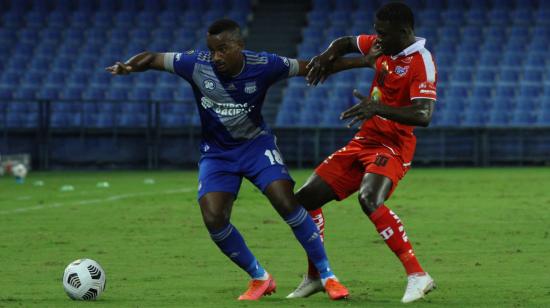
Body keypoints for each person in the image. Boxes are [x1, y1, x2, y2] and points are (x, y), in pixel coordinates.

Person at [106, 19, 372, 301]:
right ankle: (260, 278)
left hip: (256, 147)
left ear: (239, 46)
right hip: (218, 154)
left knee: (285, 201)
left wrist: (364, 62)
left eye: (222, 49)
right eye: (212, 50)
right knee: (213, 217)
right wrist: (129, 67)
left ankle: (328, 276)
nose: (216, 56)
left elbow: (313, 66)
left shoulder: (265, 64)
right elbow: (152, 57)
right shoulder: (195, 64)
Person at [287, 2, 437, 303]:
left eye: (382, 33)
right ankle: (316, 275)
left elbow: (424, 115)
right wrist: (327, 56)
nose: (375, 38)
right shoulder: (383, 45)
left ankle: (418, 275)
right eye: (375, 31)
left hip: (393, 145)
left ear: (404, 31)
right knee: (304, 199)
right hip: (364, 140)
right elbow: (344, 43)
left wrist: (377, 107)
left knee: (369, 199)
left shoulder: (421, 61)